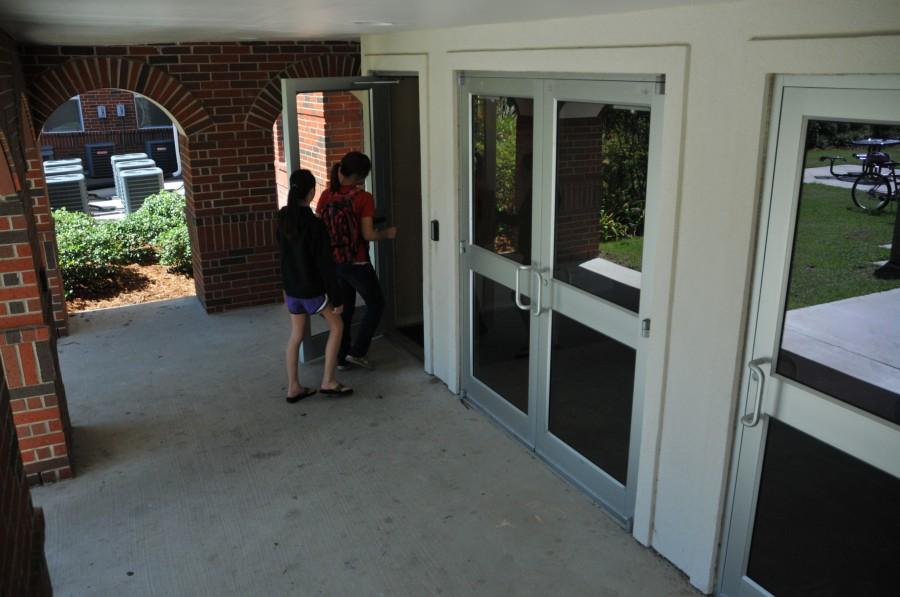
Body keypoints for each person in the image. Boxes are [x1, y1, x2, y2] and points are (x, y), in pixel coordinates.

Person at [316, 151, 397, 370]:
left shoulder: (326, 196)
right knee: (376, 304)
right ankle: (357, 351)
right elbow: (368, 234)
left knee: (346, 310)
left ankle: (341, 357)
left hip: (334, 263)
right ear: (360, 176)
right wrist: (386, 233)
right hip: (357, 262)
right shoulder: (363, 198)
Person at [278, 169, 352, 402]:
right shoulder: (314, 224)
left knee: (296, 335)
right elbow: (325, 265)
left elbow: (282, 256)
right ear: (311, 192)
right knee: (337, 326)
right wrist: (337, 298)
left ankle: (293, 388)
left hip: (292, 290)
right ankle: (329, 381)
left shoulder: (282, 218)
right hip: (311, 291)